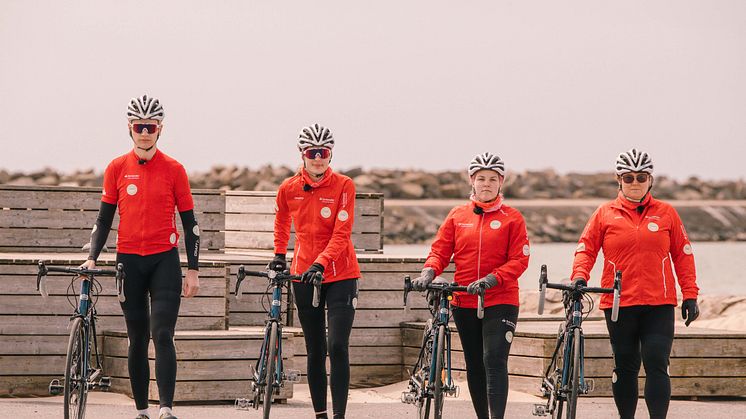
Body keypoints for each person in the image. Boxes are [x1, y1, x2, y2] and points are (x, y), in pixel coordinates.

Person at [81, 95, 200, 419]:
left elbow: (191, 224)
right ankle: (142, 410)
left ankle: (166, 409)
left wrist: (192, 269)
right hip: (129, 261)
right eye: (139, 126)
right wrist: (92, 257)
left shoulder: (175, 169)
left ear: (160, 129)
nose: (144, 132)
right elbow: (104, 220)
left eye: (150, 126)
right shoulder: (117, 168)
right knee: (137, 338)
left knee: (162, 334)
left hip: (164, 260)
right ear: (130, 129)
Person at [571, 148, 700, 419]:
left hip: (659, 303)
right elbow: (586, 249)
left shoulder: (666, 213)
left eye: (641, 177)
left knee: (657, 362)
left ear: (650, 180)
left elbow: (683, 255)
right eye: (628, 178)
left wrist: (690, 294)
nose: (635, 183)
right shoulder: (604, 213)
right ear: (619, 180)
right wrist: (580, 276)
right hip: (619, 302)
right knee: (625, 366)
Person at [412, 152, 530, 419]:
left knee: (494, 360)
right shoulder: (457, 215)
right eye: (481, 179)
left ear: (501, 183)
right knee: (475, 364)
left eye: (492, 179)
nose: (486, 184)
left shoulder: (513, 218)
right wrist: (429, 272)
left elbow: (519, 260)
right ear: (472, 181)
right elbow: (440, 251)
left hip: (500, 299)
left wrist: (492, 279)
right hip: (464, 299)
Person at [271, 123, 360, 419]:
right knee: (314, 349)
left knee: (337, 346)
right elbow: (282, 221)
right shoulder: (289, 188)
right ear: (302, 154)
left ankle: (339, 416)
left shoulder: (344, 185)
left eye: (323, 152)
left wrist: (321, 262)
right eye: (312, 153)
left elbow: (342, 232)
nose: (318, 158)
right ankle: (320, 414)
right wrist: (280, 255)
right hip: (303, 275)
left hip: (340, 274)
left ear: (330, 154)